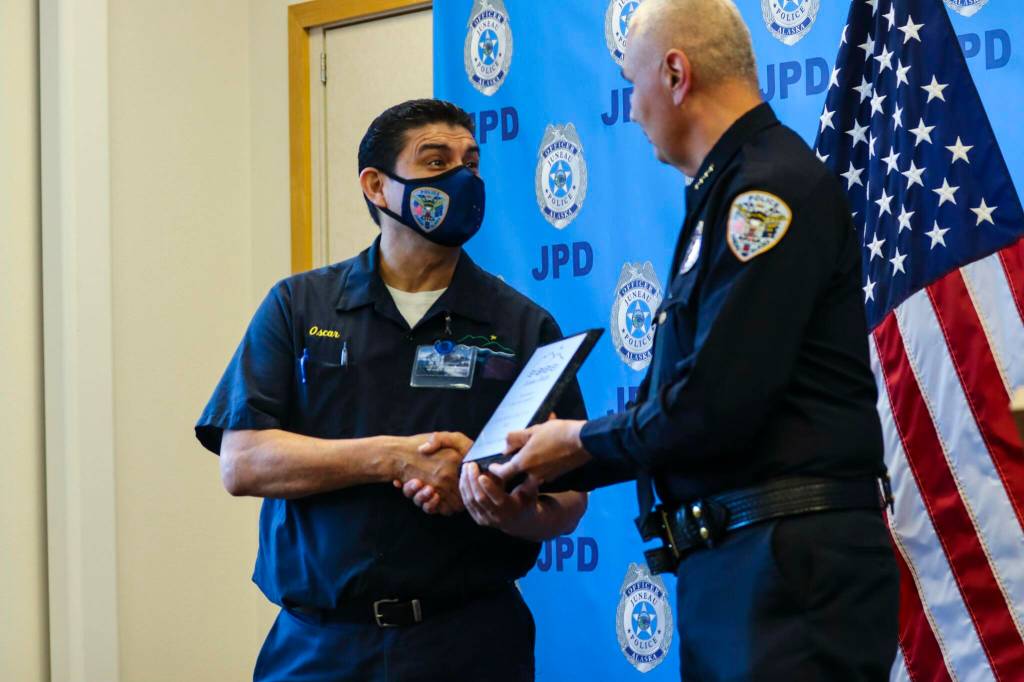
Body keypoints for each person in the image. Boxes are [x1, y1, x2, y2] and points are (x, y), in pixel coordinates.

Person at [479, 1, 900, 679]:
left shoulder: (765, 194)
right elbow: (692, 402)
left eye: (633, 84)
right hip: (749, 571)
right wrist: (541, 460)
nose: (633, 109)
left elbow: (715, 405)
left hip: (787, 575)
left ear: (676, 73)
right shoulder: (727, 191)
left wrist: (576, 445)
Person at [194, 99, 588, 682]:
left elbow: (568, 503)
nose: (462, 179)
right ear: (377, 187)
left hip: (470, 643)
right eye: (436, 162)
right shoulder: (299, 306)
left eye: (470, 163)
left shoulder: (524, 326)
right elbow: (243, 463)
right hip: (319, 646)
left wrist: (504, 509)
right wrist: (393, 457)